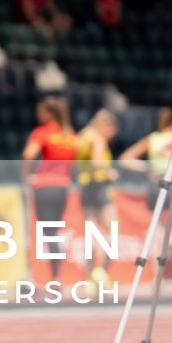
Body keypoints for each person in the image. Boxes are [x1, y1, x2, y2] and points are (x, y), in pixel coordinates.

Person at [120, 108, 172, 293]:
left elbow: (125, 158)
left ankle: (158, 280)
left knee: (156, 233)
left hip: (155, 184)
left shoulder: (152, 139)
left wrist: (147, 167)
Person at [21, 97, 75, 283]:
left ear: (49, 113)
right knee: (54, 232)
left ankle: (35, 277)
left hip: (43, 187)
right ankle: (55, 276)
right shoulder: (69, 135)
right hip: (62, 188)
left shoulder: (42, 132)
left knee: (44, 232)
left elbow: (28, 154)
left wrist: (25, 176)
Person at [74, 110, 120, 287]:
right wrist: (110, 172)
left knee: (91, 232)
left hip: (85, 186)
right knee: (111, 231)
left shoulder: (82, 136)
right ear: (105, 126)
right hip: (100, 186)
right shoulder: (97, 138)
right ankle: (101, 272)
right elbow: (96, 161)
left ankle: (90, 275)